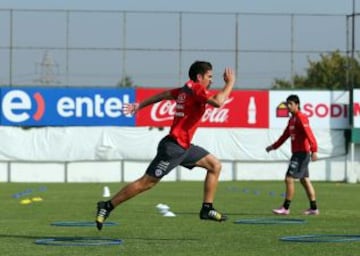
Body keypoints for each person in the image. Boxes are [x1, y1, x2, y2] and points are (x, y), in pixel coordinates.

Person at [95, 61, 235, 230]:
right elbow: (219, 102)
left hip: (184, 147)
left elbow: (164, 95)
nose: (212, 80)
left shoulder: (186, 90)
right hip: (173, 149)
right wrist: (230, 83)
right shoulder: (197, 89)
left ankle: (207, 209)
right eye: (209, 77)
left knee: (215, 165)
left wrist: (139, 105)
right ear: (199, 77)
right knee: (146, 183)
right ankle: (107, 206)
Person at [265, 94, 319, 216]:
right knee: (304, 180)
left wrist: (314, 150)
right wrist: (273, 146)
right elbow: (285, 136)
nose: (288, 106)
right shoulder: (292, 120)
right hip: (297, 153)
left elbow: (309, 134)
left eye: (291, 104)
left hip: (301, 154)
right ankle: (314, 208)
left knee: (289, 178)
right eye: (287, 104)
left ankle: (285, 208)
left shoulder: (301, 117)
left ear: (297, 105)